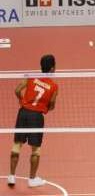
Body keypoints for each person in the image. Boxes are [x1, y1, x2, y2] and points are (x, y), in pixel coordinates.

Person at [7, 54, 58, 188]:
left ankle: (11, 177)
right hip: (36, 117)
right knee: (35, 150)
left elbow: (17, 90)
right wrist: (45, 106)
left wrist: (22, 100)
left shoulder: (30, 76)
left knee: (17, 145)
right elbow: (51, 105)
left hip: (23, 113)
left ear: (41, 66)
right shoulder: (53, 86)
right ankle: (32, 179)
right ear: (52, 68)